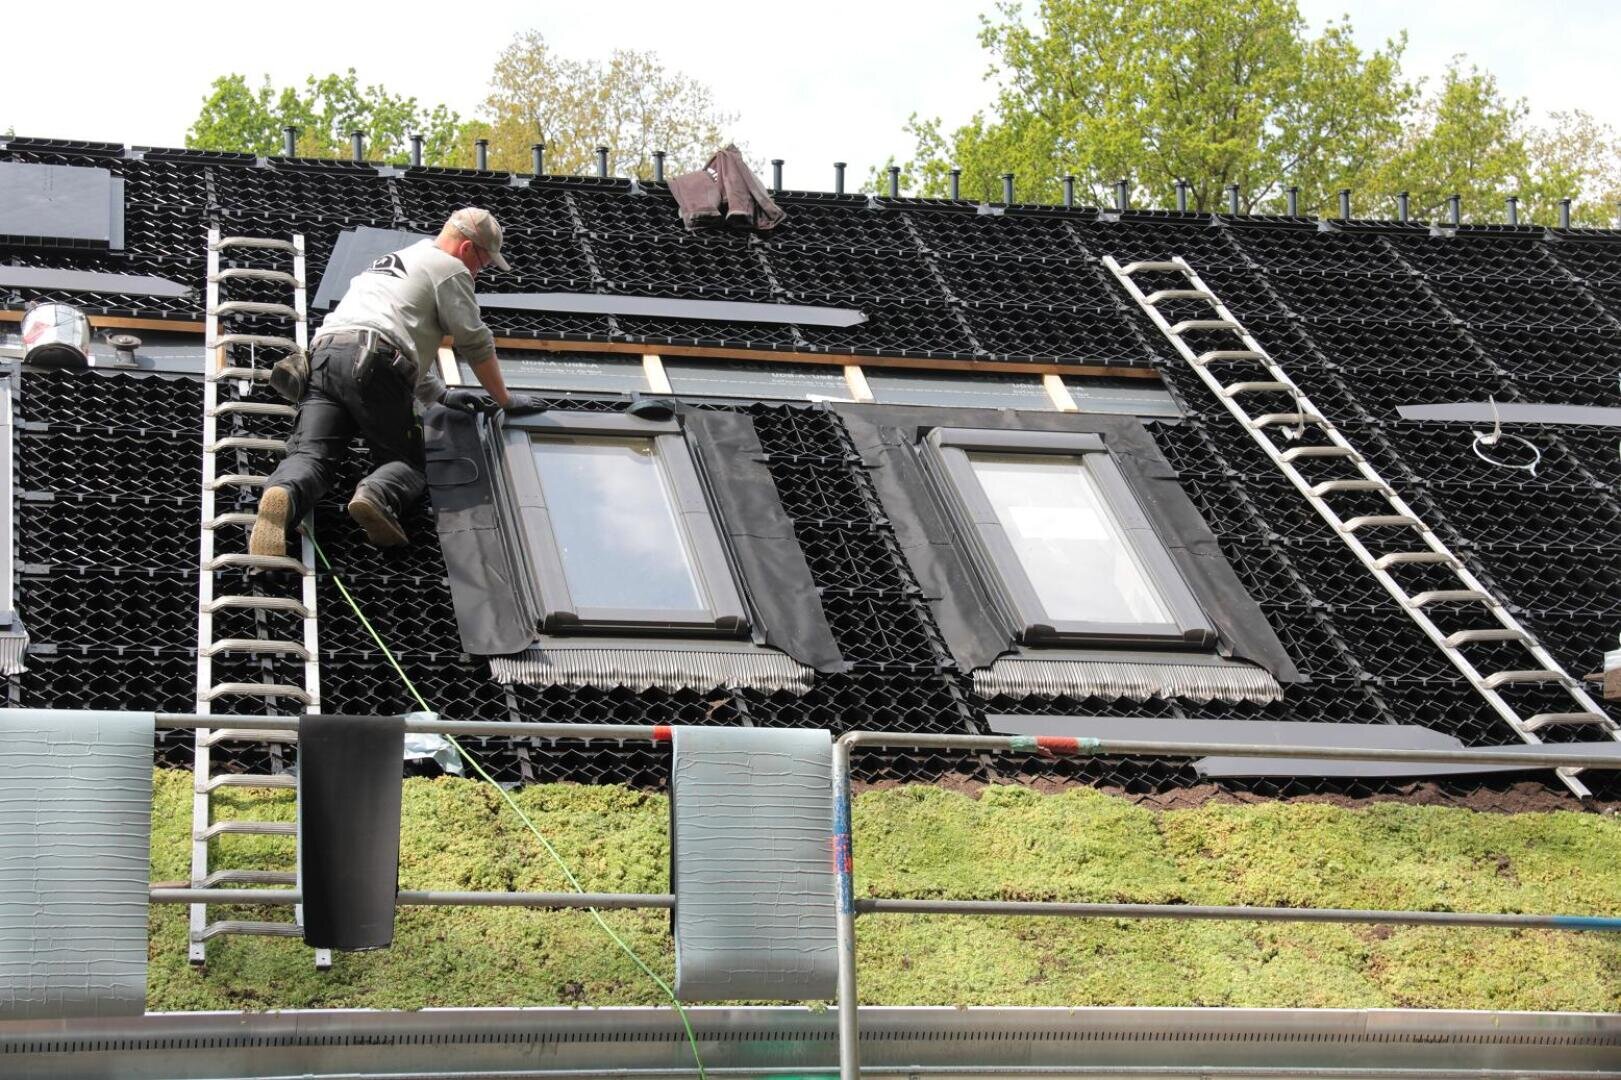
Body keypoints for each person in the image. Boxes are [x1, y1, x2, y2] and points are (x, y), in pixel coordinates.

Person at [249, 208, 542, 558]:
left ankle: (282, 494)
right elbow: (475, 343)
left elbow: (393, 332)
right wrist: (505, 400)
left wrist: (441, 395)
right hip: (373, 365)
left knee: (312, 455)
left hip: (323, 358)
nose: (481, 271)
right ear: (467, 248)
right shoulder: (450, 270)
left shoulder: (397, 260)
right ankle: (376, 495)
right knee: (409, 463)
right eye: (484, 263)